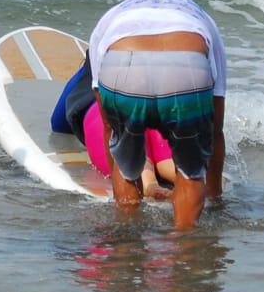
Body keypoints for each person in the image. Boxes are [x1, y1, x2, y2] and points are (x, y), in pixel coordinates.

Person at [87, 0, 227, 229]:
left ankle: (128, 243)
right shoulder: (195, 13)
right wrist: (215, 199)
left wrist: (120, 148)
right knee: (189, 172)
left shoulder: (114, 15)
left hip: (123, 63)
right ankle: (187, 251)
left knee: (125, 165)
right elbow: (215, 129)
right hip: (186, 64)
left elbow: (107, 121)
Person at [51, 53, 177, 199]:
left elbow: (58, 123)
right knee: (166, 154)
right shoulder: (176, 46)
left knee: (124, 131)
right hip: (162, 110)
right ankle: (178, 174)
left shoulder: (103, 48)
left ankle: (148, 182)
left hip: (108, 110)